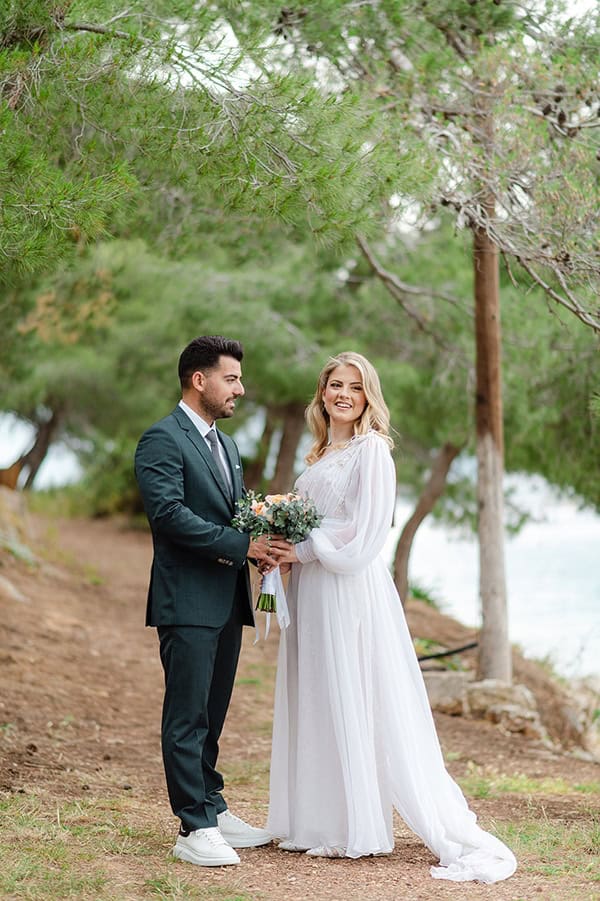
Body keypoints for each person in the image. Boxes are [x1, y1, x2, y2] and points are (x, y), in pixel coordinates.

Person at [267, 351, 517, 883]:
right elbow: (320, 520)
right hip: (312, 588)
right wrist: (280, 542)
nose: (343, 394)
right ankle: (316, 822)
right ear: (322, 393)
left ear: (367, 397)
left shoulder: (372, 451)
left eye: (354, 388)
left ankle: (354, 828)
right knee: (316, 695)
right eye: (335, 384)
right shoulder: (320, 455)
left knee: (349, 693)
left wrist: (304, 551)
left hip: (345, 588)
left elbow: (368, 532)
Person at [135, 335, 276, 868]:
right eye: (232, 378)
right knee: (187, 714)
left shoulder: (226, 444)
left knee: (212, 715)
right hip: (187, 600)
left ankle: (212, 808)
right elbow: (169, 515)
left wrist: (268, 539)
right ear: (201, 380)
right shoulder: (161, 439)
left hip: (227, 601)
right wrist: (243, 545)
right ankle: (192, 826)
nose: (241, 388)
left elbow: (233, 514)